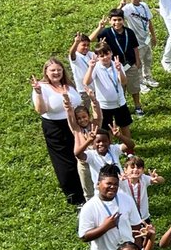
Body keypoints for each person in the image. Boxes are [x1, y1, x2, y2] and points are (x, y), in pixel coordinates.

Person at [31, 58, 86, 206]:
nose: (56, 73)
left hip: (75, 125)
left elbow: (79, 104)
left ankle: (87, 189)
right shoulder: (41, 87)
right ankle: (75, 196)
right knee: (65, 162)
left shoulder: (68, 85)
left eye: (59, 70)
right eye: (53, 70)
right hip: (56, 128)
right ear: (46, 72)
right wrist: (38, 93)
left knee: (81, 156)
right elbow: (40, 110)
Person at [90, 9, 144, 117]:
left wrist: (137, 61)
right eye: (114, 20)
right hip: (116, 66)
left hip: (130, 64)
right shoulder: (106, 32)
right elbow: (90, 39)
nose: (117, 22)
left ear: (123, 20)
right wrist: (100, 27)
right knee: (120, 87)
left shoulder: (129, 32)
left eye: (119, 20)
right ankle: (122, 106)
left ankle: (138, 106)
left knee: (134, 87)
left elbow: (135, 47)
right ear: (110, 21)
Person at [82, 45, 132, 141]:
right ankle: (108, 148)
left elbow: (124, 82)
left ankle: (129, 149)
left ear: (111, 53)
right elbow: (86, 82)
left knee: (124, 126)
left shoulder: (117, 64)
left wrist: (119, 70)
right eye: (101, 56)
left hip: (120, 103)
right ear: (97, 57)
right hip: (104, 105)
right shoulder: (96, 67)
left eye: (107, 54)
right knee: (106, 129)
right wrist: (91, 68)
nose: (105, 57)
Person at [121, 0, 159, 91]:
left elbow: (149, 21)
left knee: (148, 59)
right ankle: (139, 82)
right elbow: (116, 16)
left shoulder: (144, 6)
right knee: (138, 62)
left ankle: (148, 77)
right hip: (136, 41)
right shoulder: (127, 9)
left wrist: (153, 36)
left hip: (146, 38)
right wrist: (120, 5)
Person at [75, 124, 135, 192]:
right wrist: (89, 140)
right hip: (102, 191)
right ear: (93, 144)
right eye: (98, 142)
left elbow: (131, 145)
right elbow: (78, 154)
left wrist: (119, 136)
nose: (101, 144)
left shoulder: (113, 149)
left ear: (109, 142)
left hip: (120, 187)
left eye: (104, 141)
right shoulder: (91, 155)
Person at [67, 99, 103, 201]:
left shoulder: (94, 126)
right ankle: (90, 206)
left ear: (89, 116)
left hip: (97, 160)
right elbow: (70, 120)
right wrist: (68, 108)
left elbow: (99, 115)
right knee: (88, 189)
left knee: (101, 183)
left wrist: (94, 101)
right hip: (84, 164)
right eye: (78, 118)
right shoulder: (76, 130)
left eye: (84, 117)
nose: (82, 120)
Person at [121, 155, 163, 237]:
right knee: (131, 238)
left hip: (144, 216)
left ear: (143, 170)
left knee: (147, 236)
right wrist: (118, 180)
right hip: (128, 218)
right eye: (132, 167)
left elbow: (162, 180)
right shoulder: (121, 182)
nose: (135, 170)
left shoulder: (143, 179)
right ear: (125, 170)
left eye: (139, 167)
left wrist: (157, 178)